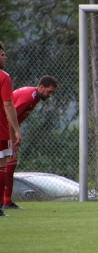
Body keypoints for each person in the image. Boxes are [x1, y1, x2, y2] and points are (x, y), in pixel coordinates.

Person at [1, 75, 58, 210]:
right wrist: (13, 140)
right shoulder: (29, 98)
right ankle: (5, 201)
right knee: (7, 164)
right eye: (49, 91)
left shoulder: (35, 97)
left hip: (6, 129)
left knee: (10, 164)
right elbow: (9, 117)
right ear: (41, 87)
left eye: (52, 93)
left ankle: (6, 201)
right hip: (4, 129)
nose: (50, 95)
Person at [0, 41, 22, 216]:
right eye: (2, 54)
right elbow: (8, 105)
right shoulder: (4, 77)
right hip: (1, 130)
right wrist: (16, 130)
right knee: (1, 167)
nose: (5, 57)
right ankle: (0, 205)